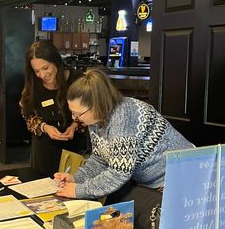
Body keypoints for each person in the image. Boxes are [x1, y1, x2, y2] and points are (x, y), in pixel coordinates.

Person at [54, 69, 194, 228]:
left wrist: (79, 190)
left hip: (179, 178)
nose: (74, 118)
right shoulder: (96, 119)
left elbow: (119, 172)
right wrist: (76, 178)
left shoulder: (123, 118)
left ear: (97, 105)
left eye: (78, 113)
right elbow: (100, 158)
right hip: (152, 181)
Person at [19, 40, 88, 177]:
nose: (42, 75)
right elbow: (28, 115)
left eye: (46, 68)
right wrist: (45, 127)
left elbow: (90, 111)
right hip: (44, 149)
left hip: (75, 146)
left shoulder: (77, 80)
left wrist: (75, 125)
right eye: (37, 71)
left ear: (56, 62)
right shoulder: (33, 83)